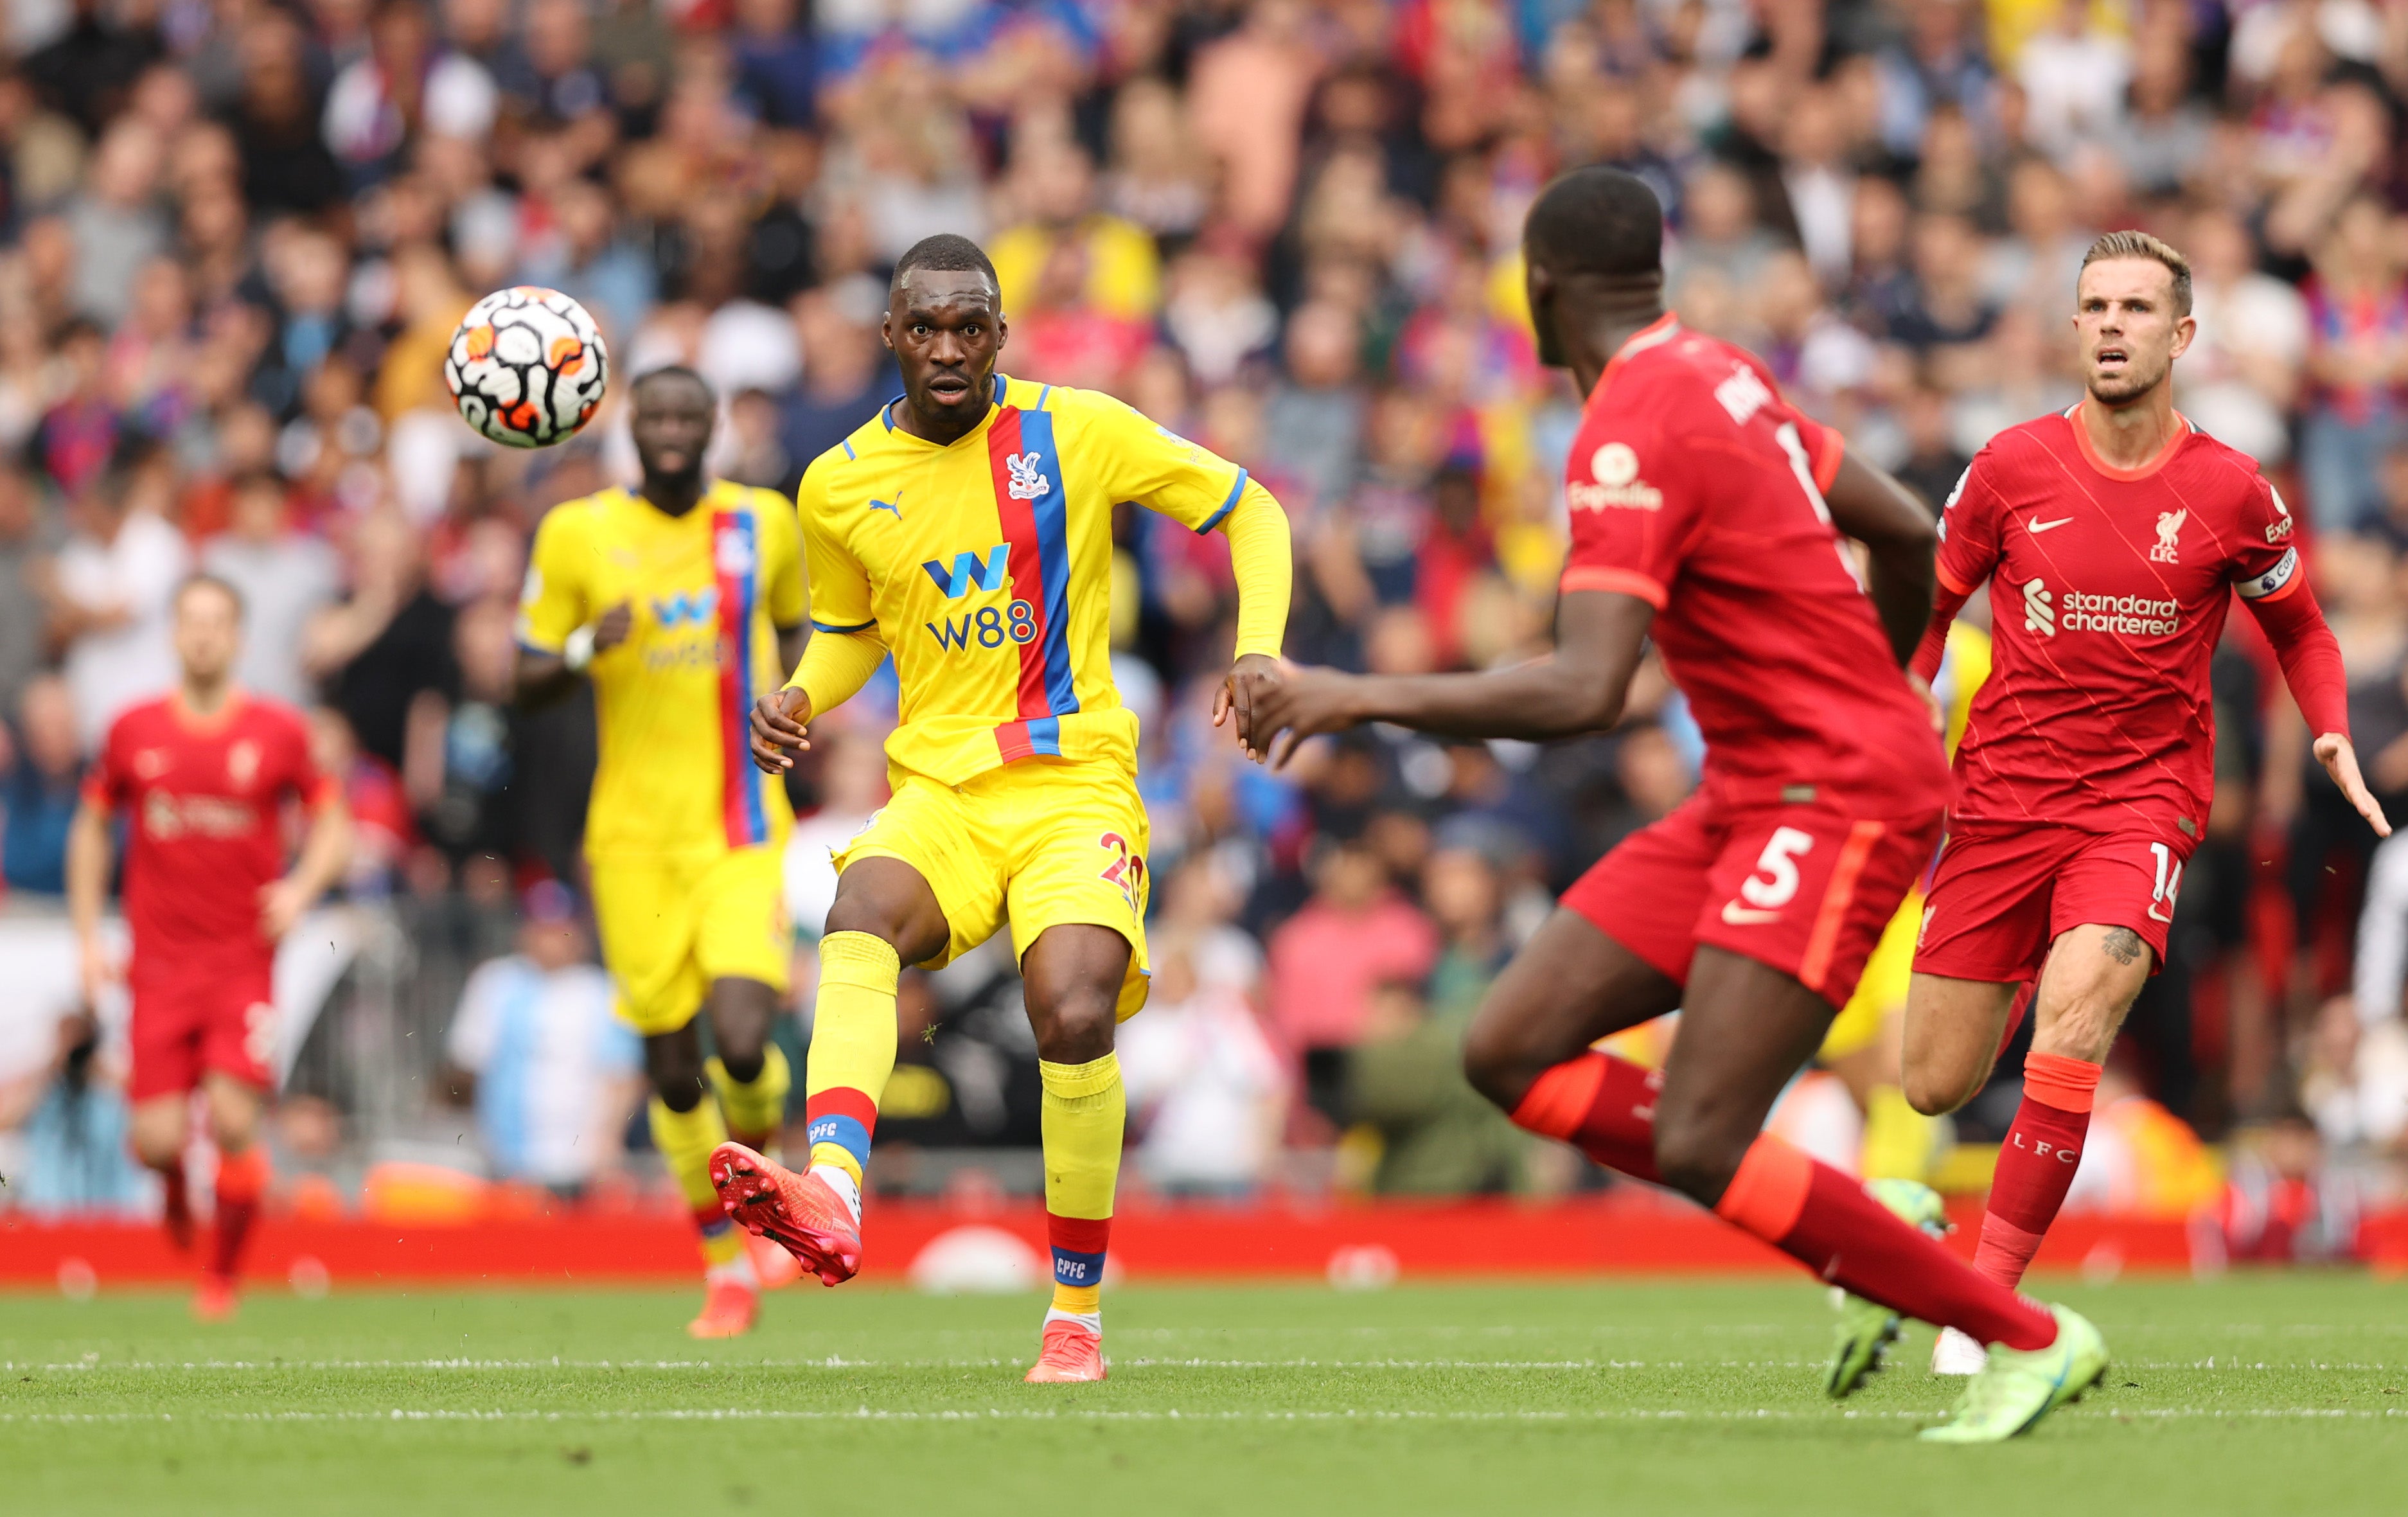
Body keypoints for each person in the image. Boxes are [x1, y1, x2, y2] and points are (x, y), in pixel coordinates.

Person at [1248, 166, 2105, 1443]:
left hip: (1832, 793)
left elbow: (1589, 687)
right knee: (1506, 1049)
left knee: (1701, 1132)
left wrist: (1351, 691)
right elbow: (1904, 527)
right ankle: (1872, 1237)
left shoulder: (1623, 427)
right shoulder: (1724, 373)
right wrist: (1875, 677)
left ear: (1539, 287)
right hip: (1757, 789)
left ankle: (2026, 1335)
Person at [726, 232, 1291, 1383]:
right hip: (939, 794)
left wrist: (1259, 653)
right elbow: (844, 634)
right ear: (888, 333)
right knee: (858, 909)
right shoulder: (835, 484)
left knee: (1072, 1015)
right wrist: (795, 691)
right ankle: (832, 1189)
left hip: (1072, 784)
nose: (945, 347)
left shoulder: (1076, 429)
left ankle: (1073, 1314)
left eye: (968, 326)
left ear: (998, 335)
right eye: (922, 326)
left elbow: (1253, 513)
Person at [1900, 231, 2385, 1376]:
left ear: (2179, 337)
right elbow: (1926, 607)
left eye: (2133, 307)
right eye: (2093, 305)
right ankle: (1925, 1237)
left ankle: (1985, 1309)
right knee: (1931, 1082)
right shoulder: (2007, 467)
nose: (2110, 324)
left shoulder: (2229, 490)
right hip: (2001, 805)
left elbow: (2302, 627)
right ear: (2073, 327)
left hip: (2140, 803)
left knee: (2074, 1023)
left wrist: (2324, 724)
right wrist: (1902, 700)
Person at [515, 364, 808, 1338]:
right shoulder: (578, 533)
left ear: (715, 425)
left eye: (692, 413)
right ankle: (725, 1268)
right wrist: (577, 651)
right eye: (658, 416)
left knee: (740, 1039)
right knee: (676, 1074)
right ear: (630, 428)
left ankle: (760, 1191)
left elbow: (806, 625)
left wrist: (793, 701)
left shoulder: (764, 522)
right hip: (633, 842)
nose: (675, 430)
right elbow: (523, 672)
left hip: (742, 827)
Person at [66, 574, 351, 1320]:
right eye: (190, 621)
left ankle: (220, 1279)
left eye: (216, 622)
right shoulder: (132, 731)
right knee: (157, 1141)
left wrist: (299, 890)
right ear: (171, 633)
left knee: (232, 1122)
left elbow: (334, 823)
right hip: (157, 966)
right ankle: (168, 1187)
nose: (202, 634)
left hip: (240, 962)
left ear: (238, 637)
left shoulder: (278, 732)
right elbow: (91, 830)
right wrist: (91, 936)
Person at [441, 880, 643, 1195]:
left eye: (559, 928)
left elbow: (623, 1076)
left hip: (583, 1165)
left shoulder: (604, 991)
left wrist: (608, 1142)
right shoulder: (495, 982)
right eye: (542, 927)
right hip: (507, 1162)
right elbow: (465, 1068)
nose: (551, 940)